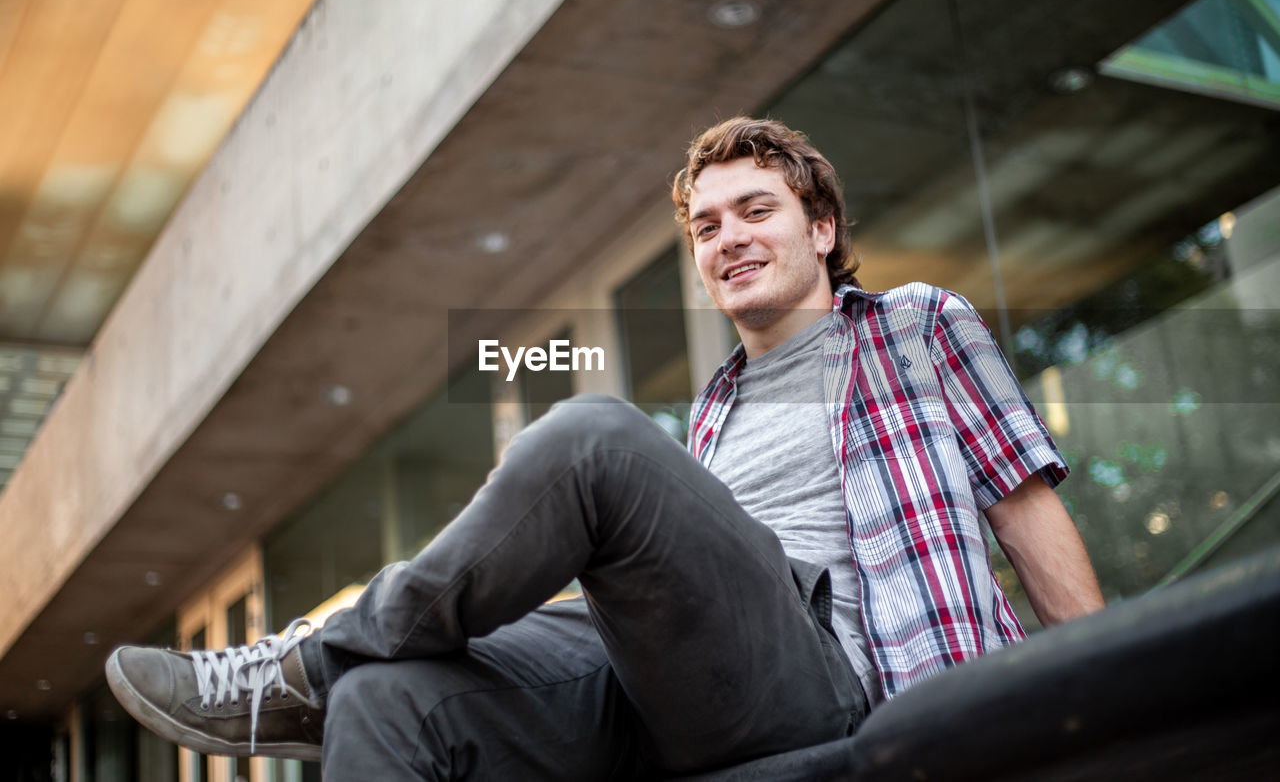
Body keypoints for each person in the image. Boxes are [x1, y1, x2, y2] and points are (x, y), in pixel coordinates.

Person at [106, 117, 1104, 779]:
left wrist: (1108, 698)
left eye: (755, 210)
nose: (728, 238)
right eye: (706, 226)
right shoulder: (713, 410)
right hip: (677, 691)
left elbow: (1022, 506)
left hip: (838, 677)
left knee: (593, 434)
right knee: (390, 699)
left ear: (822, 225)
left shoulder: (908, 326)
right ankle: (338, 671)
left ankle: (300, 667)